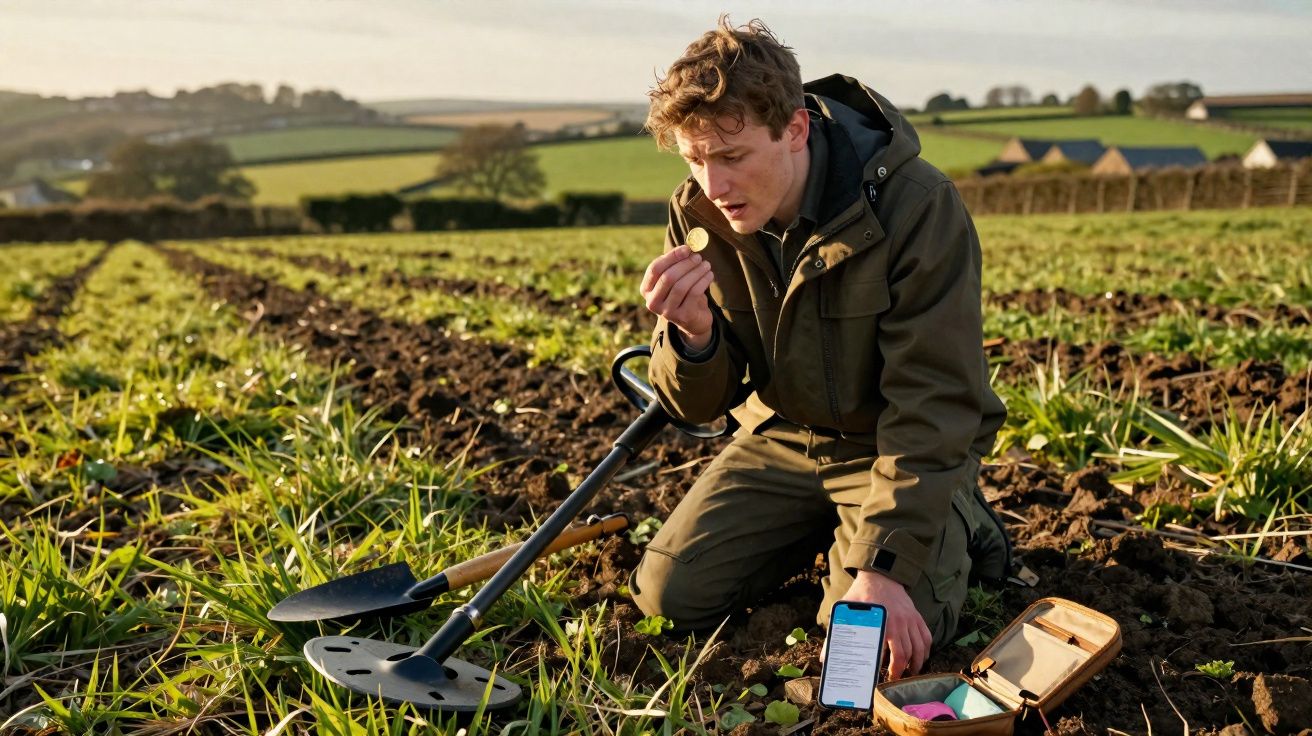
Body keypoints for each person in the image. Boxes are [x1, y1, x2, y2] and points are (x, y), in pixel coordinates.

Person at [630, 17, 1012, 681]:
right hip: (780, 438)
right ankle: (830, 528)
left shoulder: (917, 207)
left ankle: (958, 519)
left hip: (888, 448)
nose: (713, 186)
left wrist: (884, 568)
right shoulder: (696, 212)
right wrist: (693, 338)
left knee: (863, 649)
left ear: (796, 129)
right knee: (668, 598)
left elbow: (935, 402)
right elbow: (699, 406)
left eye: (732, 157)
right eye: (694, 159)